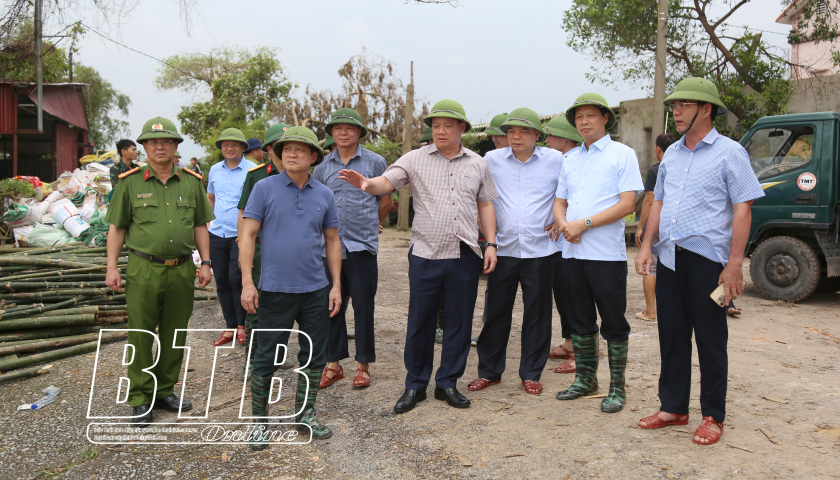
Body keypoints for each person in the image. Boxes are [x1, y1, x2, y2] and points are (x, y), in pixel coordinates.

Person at [338, 99, 498, 414]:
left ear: (461, 128)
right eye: (435, 125)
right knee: (420, 321)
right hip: (425, 253)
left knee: (459, 321)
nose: (440, 130)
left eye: (447, 125)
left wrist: (491, 243)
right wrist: (366, 184)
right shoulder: (415, 159)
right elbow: (386, 182)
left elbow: (486, 204)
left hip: (464, 253)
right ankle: (415, 385)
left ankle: (448, 382)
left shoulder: (477, 163)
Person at [635, 77, 764, 445]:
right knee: (671, 333)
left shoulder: (730, 152)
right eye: (674, 106)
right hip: (670, 257)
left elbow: (743, 209)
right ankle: (673, 407)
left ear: (706, 109)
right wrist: (646, 244)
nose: (675, 112)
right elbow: (658, 200)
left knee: (711, 338)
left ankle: (712, 415)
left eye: (684, 105)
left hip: (709, 261)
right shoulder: (672, 153)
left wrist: (735, 263)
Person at [104, 117, 214, 426]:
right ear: (144, 147)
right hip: (144, 268)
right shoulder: (130, 182)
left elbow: (200, 227)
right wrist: (112, 267)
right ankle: (140, 397)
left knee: (174, 333)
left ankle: (165, 390)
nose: (160, 146)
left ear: (177, 146)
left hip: (181, 269)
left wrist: (205, 263)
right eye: (153, 142)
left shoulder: (192, 181)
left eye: (166, 141)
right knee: (140, 333)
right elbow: (117, 228)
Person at [240, 126, 343, 447]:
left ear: (313, 157)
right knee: (265, 357)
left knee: (313, 356)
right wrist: (247, 282)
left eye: (300, 149)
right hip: (273, 290)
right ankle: (260, 423)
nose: (292, 154)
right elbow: (247, 236)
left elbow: (332, 241)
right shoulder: (264, 188)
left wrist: (336, 285)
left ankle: (305, 414)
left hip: (315, 291)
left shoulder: (324, 194)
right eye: (286, 149)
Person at [553, 93, 644, 415]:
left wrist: (584, 224)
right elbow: (559, 201)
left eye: (590, 116)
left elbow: (627, 204)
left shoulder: (622, 154)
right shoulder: (570, 159)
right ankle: (585, 380)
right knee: (578, 319)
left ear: (606, 118)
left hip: (606, 256)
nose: (584, 122)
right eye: (579, 118)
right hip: (572, 254)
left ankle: (617, 388)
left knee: (614, 321)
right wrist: (565, 224)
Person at [467, 108, 562, 396]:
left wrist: (563, 218)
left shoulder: (556, 160)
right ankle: (489, 371)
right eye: (510, 131)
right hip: (503, 248)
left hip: (541, 249)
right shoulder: (491, 160)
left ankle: (531, 373)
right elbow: (480, 198)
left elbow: (571, 191)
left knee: (538, 313)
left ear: (537, 135)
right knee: (496, 312)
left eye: (523, 131)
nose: (516, 136)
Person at [314, 109, 391, 390]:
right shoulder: (322, 167)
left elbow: (385, 200)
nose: (343, 132)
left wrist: (373, 225)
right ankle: (333, 365)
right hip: (329, 250)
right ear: (332, 134)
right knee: (331, 306)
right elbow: (318, 206)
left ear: (359, 133)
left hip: (361, 247)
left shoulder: (375, 162)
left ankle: (363, 366)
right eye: (338, 128)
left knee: (363, 306)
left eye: (350, 128)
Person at [237, 123, 290, 368]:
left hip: (291, 251)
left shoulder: (303, 174)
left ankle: (276, 356)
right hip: (260, 249)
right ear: (269, 148)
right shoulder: (256, 176)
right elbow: (243, 215)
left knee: (286, 304)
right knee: (256, 304)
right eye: (280, 146)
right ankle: (254, 360)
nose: (288, 151)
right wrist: (242, 249)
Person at [207, 128, 256, 346]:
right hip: (217, 232)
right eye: (225, 145)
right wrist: (209, 223)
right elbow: (210, 197)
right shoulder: (215, 170)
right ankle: (229, 326)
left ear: (243, 148)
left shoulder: (253, 170)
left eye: (234, 144)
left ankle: (242, 324)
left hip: (241, 234)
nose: (229, 148)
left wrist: (247, 233)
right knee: (222, 280)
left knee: (237, 278)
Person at [542, 115, 583, 375]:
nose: (546, 141)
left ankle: (581, 350)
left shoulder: (578, 160)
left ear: (564, 138)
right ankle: (569, 343)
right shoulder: (562, 160)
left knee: (575, 297)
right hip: (557, 243)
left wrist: (564, 221)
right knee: (562, 294)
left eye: (550, 136)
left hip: (573, 238)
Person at [468, 112, 511, 348]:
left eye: (498, 135)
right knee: (493, 289)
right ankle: (489, 333)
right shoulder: (489, 160)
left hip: (520, 238)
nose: (494, 138)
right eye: (492, 134)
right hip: (492, 234)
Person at [634, 132, 680, 322]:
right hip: (676, 224)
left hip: (658, 222)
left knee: (649, 266)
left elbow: (650, 200)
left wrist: (641, 226)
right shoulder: (682, 166)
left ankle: (650, 311)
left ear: (658, 150)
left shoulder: (657, 170)